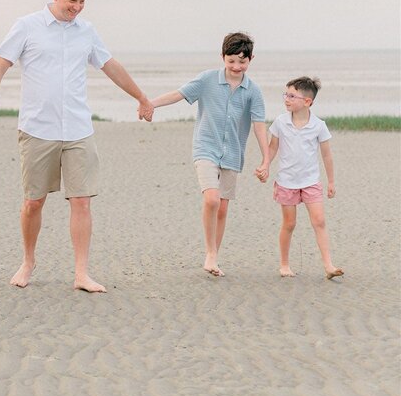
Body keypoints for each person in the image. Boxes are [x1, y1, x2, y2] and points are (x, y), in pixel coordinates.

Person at [0, 0, 154, 294]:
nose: (77, 7)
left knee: (82, 201)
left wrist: (141, 97)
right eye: (71, 0)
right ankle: (28, 261)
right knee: (33, 202)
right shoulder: (27, 26)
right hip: (37, 129)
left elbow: (111, 66)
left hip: (78, 129)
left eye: (83, 1)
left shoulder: (87, 31)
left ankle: (81, 273)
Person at [146, 32, 268, 277]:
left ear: (251, 59)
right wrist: (150, 103)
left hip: (233, 154)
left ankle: (214, 257)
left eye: (242, 62)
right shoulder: (207, 80)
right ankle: (210, 252)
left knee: (222, 209)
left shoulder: (252, 91)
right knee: (211, 199)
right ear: (222, 57)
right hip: (206, 148)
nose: (236, 66)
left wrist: (265, 160)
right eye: (231, 60)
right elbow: (178, 94)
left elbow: (259, 124)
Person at [258, 77, 343, 280]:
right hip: (287, 182)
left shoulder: (318, 125)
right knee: (289, 224)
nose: (286, 99)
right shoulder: (280, 122)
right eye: (285, 94)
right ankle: (284, 265)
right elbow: (272, 147)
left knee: (319, 221)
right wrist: (265, 166)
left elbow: (327, 155)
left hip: (311, 181)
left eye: (292, 96)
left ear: (307, 101)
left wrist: (331, 181)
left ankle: (328, 265)